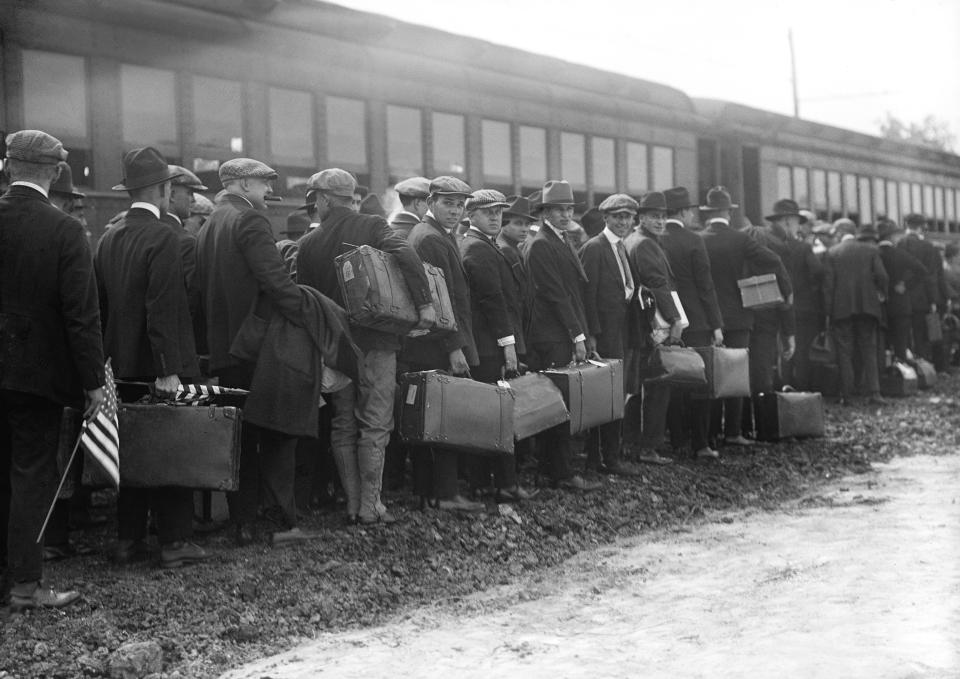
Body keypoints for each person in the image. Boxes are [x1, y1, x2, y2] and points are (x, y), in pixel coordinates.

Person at [0, 130, 104, 611]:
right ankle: (25, 585)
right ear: (55, 171)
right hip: (37, 378)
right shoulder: (65, 231)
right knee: (31, 475)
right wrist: (92, 384)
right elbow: (81, 317)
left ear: (8, 167)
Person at [296, 168, 434, 524]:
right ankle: (371, 505)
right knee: (375, 422)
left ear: (325, 199)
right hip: (377, 343)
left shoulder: (307, 244)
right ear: (348, 197)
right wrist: (424, 303)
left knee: (343, 423)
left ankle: (353, 505)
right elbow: (404, 252)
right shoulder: (371, 225)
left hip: (336, 348)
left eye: (315, 200)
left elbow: (308, 303)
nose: (315, 206)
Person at [95, 147, 209, 569]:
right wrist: (168, 370)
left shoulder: (109, 237)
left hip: (119, 367)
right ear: (164, 190)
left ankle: (128, 539)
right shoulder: (164, 237)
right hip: (157, 367)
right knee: (171, 449)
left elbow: (100, 307)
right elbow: (161, 308)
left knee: (132, 452)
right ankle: (175, 540)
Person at [195, 157, 313, 546]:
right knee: (278, 430)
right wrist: (306, 312)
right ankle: (281, 520)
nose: (267, 192)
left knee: (239, 435)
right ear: (243, 185)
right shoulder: (251, 220)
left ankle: (243, 521)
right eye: (263, 184)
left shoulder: (212, 221)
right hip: (259, 345)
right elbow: (275, 281)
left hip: (227, 348)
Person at [402, 176, 485, 512]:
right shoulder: (431, 239)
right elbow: (438, 300)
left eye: (460, 204)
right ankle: (445, 493)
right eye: (448, 203)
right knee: (443, 417)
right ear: (431, 201)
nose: (455, 210)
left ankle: (431, 492)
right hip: (437, 344)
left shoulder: (433, 235)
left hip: (432, 341)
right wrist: (454, 346)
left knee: (431, 417)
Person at [524, 180, 600, 491]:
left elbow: (573, 291)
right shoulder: (543, 244)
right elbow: (556, 295)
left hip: (559, 332)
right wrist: (577, 335)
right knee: (558, 405)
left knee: (561, 404)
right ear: (544, 213)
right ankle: (560, 472)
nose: (565, 214)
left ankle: (554, 469)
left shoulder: (560, 239)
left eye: (568, 209)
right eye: (558, 210)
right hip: (551, 334)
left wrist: (582, 333)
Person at [459, 189, 535, 500]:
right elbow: (493, 302)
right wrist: (509, 347)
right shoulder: (478, 249)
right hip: (491, 347)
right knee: (500, 416)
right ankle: (505, 484)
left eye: (498, 212)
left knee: (487, 416)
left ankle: (482, 482)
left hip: (489, 345)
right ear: (472, 215)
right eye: (487, 212)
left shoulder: (484, 246)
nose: (494, 217)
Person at [700, 187, 785, 447]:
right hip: (738, 316)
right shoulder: (741, 240)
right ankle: (734, 432)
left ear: (709, 213)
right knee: (736, 374)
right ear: (728, 212)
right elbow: (772, 259)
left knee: (711, 374)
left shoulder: (699, 239)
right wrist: (750, 281)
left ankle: (711, 431)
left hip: (706, 317)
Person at [578, 194, 641, 476]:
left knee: (616, 396)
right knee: (601, 397)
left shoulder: (620, 248)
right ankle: (599, 458)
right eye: (618, 217)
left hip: (621, 331)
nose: (624, 222)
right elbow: (587, 296)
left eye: (628, 217)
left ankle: (609, 456)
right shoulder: (595, 248)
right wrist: (591, 335)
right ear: (606, 218)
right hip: (604, 335)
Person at [659, 186, 723, 460]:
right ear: (684, 212)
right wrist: (716, 323)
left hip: (664, 319)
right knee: (698, 381)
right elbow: (706, 285)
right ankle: (701, 443)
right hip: (695, 320)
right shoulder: (694, 240)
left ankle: (676, 440)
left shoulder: (655, 239)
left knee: (671, 379)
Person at [623, 191, 682, 465]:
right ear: (641, 218)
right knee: (658, 385)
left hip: (639, 323)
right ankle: (649, 447)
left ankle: (632, 443)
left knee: (637, 386)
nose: (660, 221)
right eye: (654, 216)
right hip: (654, 325)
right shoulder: (645, 244)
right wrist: (675, 320)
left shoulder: (634, 239)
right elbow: (658, 284)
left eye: (663, 216)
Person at [823, 223, 888, 404]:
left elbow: (828, 286)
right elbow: (882, 276)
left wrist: (828, 312)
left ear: (842, 233)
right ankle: (874, 393)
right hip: (868, 308)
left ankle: (848, 395)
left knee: (845, 352)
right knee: (869, 350)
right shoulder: (870, 250)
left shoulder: (832, 252)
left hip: (841, 309)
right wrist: (882, 294)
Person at [877, 219, 927, 361]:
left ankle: (884, 373)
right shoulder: (899, 254)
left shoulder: (874, 253)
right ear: (891, 237)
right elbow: (922, 270)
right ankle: (903, 374)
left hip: (879, 304)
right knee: (901, 343)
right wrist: (906, 284)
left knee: (882, 343)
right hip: (900, 304)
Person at [898, 213, 942, 365]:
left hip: (901, 296)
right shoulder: (928, 247)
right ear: (921, 227)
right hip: (921, 298)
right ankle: (923, 367)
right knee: (920, 334)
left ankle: (907, 367)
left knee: (904, 334)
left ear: (906, 225)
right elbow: (929, 276)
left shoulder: (899, 243)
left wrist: (904, 285)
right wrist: (933, 300)